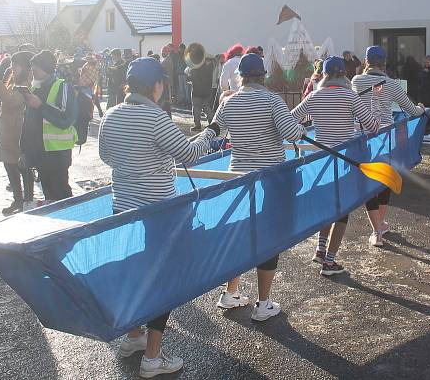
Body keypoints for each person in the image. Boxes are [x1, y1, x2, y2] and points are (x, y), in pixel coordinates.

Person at [99, 56, 217, 378]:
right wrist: (211, 132)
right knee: (162, 279)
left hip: (123, 208)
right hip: (159, 211)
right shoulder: (155, 118)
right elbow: (190, 154)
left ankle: (134, 335)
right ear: (156, 86)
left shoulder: (110, 116)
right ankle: (152, 358)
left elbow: (106, 156)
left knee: (135, 271)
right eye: (162, 83)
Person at [213, 53, 307, 321]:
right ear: (263, 76)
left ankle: (230, 293)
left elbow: (216, 133)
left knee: (239, 233)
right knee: (268, 239)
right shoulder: (272, 100)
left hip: (238, 179)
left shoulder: (229, 103)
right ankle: (263, 304)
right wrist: (300, 130)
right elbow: (292, 133)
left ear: (240, 76)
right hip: (270, 179)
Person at [291, 56, 380, 276]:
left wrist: (301, 133)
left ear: (325, 75)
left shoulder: (314, 96)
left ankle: (321, 250)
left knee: (326, 206)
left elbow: (291, 119)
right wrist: (375, 102)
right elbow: (373, 127)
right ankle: (329, 262)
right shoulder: (350, 96)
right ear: (344, 75)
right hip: (343, 163)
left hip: (320, 162)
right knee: (341, 210)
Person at [351, 46, 424, 247]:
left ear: (366, 62)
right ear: (383, 63)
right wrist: (421, 109)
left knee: (369, 184)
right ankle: (380, 226)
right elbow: (411, 110)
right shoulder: (392, 84)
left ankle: (377, 230)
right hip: (386, 138)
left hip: (364, 138)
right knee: (384, 180)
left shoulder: (356, 81)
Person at [20, 50, 78, 203]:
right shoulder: (35, 88)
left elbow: (66, 119)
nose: (32, 72)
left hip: (57, 154)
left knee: (61, 194)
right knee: (49, 197)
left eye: (35, 69)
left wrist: (40, 106)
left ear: (45, 68)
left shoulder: (63, 87)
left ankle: (71, 223)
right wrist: (25, 150)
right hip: (40, 153)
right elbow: (29, 122)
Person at [0, 52, 34, 215]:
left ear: (24, 67)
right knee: (10, 167)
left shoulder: (25, 86)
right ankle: (18, 200)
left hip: (19, 135)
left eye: (15, 65)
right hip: (8, 134)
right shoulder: (14, 84)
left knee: (23, 169)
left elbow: (10, 101)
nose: (12, 68)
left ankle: (27, 201)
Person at [189, 54, 217, 132]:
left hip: (197, 91)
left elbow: (191, 76)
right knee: (206, 107)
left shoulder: (197, 67)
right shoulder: (211, 67)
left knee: (196, 108)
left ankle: (197, 125)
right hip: (207, 90)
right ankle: (212, 123)